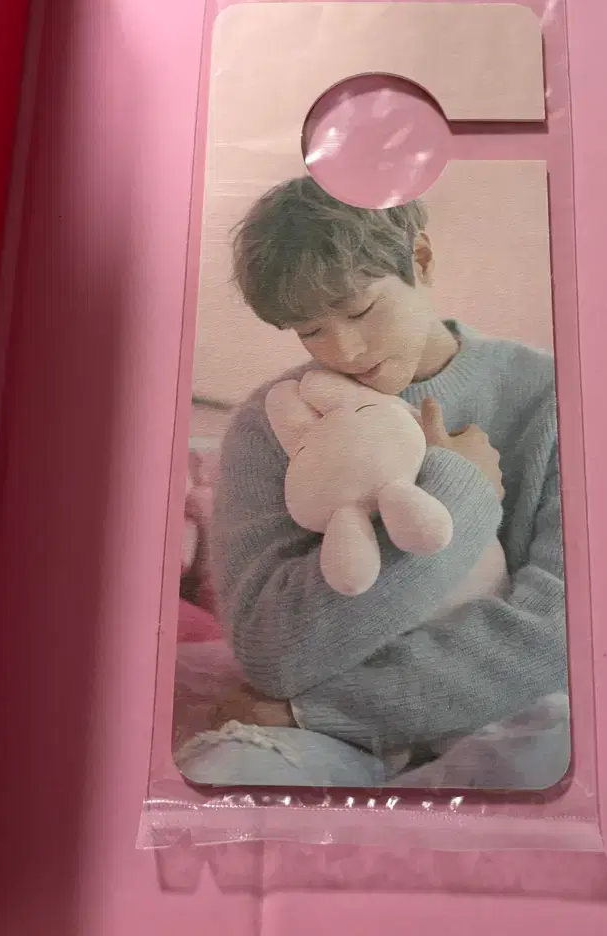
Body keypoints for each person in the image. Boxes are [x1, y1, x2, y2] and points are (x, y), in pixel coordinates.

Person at [176, 176, 566, 789]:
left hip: (497, 717)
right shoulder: (272, 421)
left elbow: (557, 633)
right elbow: (271, 650)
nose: (347, 350)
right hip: (326, 741)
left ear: (421, 259)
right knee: (228, 770)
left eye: (360, 310)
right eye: (310, 330)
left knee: (558, 743)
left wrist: (324, 710)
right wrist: (462, 496)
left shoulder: (551, 395)